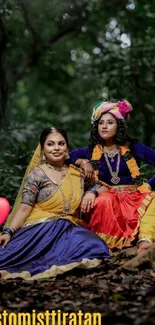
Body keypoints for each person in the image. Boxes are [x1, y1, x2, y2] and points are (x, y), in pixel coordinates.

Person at [0, 127, 110, 281]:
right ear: (43, 150)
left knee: (94, 246)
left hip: (67, 230)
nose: (57, 148)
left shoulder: (77, 173)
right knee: (6, 257)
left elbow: (105, 187)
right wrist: (8, 232)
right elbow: (24, 208)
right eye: (50, 144)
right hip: (39, 231)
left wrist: (92, 192)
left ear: (67, 148)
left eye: (61, 143)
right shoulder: (37, 174)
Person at [69, 100, 155, 254]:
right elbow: (64, 158)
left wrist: (149, 185)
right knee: (102, 201)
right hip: (108, 198)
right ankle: (101, 245)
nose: (104, 126)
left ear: (120, 126)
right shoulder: (91, 151)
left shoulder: (133, 147)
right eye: (101, 123)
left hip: (134, 197)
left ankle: (144, 240)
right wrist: (83, 161)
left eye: (110, 122)